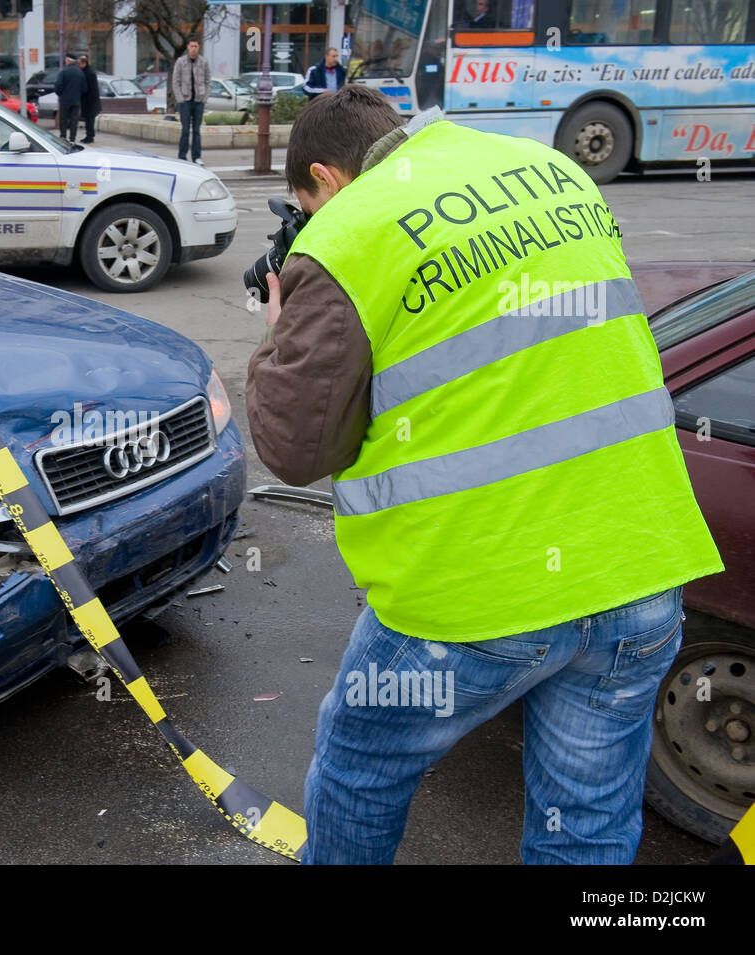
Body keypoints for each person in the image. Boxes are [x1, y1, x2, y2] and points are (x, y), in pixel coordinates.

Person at [245, 86, 723, 865]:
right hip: (640, 563)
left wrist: (276, 334)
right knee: (588, 826)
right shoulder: (547, 168)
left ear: (328, 182)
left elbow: (296, 447)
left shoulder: (350, 232)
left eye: (308, 207)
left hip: (477, 596)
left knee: (361, 769)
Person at [171, 38, 210, 165]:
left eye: (196, 46)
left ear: (199, 48)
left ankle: (196, 156)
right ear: (188, 47)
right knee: (185, 130)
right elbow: (175, 81)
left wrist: (204, 98)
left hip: (199, 100)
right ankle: (182, 156)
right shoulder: (181, 62)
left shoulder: (203, 62)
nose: (194, 48)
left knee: (197, 130)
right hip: (185, 101)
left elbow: (208, 81)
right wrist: (180, 98)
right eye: (192, 46)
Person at [54, 54, 86, 142]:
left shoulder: (63, 71)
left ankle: (63, 136)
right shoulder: (80, 72)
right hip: (76, 100)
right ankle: (72, 138)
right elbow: (84, 88)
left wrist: (61, 94)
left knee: (63, 119)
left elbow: (58, 86)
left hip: (65, 100)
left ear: (68, 61)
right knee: (74, 120)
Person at [79, 54, 101, 144]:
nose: (79, 65)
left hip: (90, 101)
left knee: (89, 120)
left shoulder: (89, 72)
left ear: (84, 63)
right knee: (88, 120)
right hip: (89, 101)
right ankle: (89, 135)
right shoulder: (88, 71)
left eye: (80, 63)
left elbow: (90, 88)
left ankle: (90, 136)